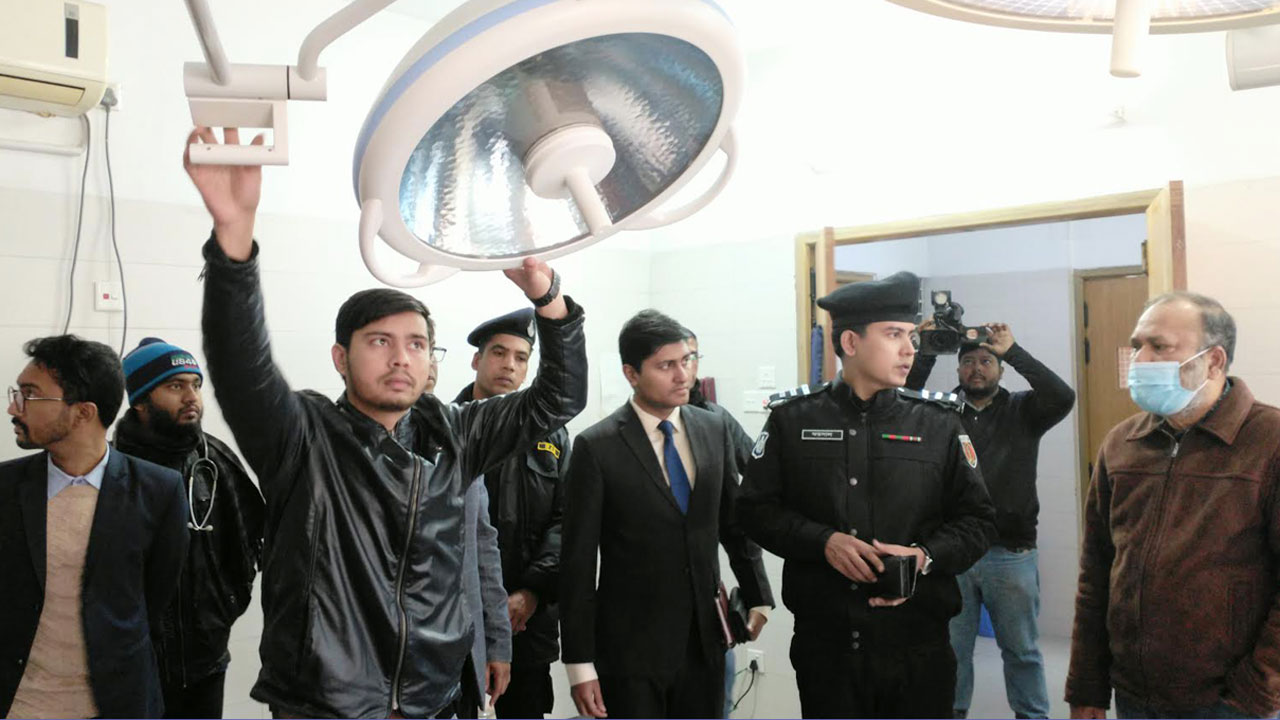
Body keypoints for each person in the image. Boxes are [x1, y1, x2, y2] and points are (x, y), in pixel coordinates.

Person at [184, 126, 588, 718]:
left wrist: (550, 300)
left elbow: (558, 399)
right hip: (325, 701)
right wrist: (233, 239)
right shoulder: (304, 437)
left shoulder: (457, 434)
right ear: (340, 358)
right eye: (380, 341)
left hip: (434, 696)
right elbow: (240, 366)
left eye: (416, 344)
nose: (401, 358)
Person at [739, 271, 996, 719]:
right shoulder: (793, 419)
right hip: (829, 654)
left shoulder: (937, 422)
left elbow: (979, 521)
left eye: (911, 336)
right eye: (894, 334)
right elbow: (755, 510)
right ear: (851, 342)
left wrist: (924, 557)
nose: (909, 349)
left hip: (919, 651)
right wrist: (822, 541)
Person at [1067, 291, 1280, 720]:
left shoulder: (1269, 442)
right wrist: (1087, 685)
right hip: (1134, 695)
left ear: (1214, 361)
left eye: (1159, 347)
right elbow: (1097, 572)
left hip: (1228, 703)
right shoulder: (1122, 444)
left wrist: (1256, 690)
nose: (1140, 360)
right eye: (1137, 345)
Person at [560, 309, 774, 719]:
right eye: (666, 366)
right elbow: (578, 564)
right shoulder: (597, 447)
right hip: (630, 646)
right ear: (631, 373)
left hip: (705, 639)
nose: (683, 376)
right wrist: (579, 664)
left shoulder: (712, 428)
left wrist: (759, 596)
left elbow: (733, 522)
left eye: (687, 361)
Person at [1, 335, 188, 718]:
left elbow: (153, 599)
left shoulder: (158, 490)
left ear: (83, 413)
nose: (13, 407)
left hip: (116, 704)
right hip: (20, 706)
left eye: (30, 395)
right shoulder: (5, 488)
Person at [905, 323, 1075, 719]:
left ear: (1000, 369)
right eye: (968, 362)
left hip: (1011, 553)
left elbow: (1062, 396)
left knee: (1022, 651)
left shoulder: (1024, 410)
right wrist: (925, 352)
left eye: (986, 361)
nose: (976, 369)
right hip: (953, 553)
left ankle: (1031, 715)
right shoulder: (941, 412)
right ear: (958, 369)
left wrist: (1013, 350)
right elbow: (903, 399)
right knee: (952, 650)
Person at [112, 337, 266, 719]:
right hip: (134, 662)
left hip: (205, 661)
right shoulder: (111, 469)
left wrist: (223, 609)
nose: (191, 397)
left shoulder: (215, 460)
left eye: (195, 385)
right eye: (175, 386)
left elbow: (252, 541)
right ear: (140, 400)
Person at [455, 309, 569, 719]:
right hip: (455, 616)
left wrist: (532, 591)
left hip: (527, 619)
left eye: (521, 357)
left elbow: (567, 519)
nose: (509, 365)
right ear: (477, 360)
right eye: (499, 353)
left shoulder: (550, 433)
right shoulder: (446, 427)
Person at [683, 329, 754, 474]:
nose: (687, 367)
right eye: (670, 362)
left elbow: (757, 468)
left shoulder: (717, 416)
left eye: (692, 356)